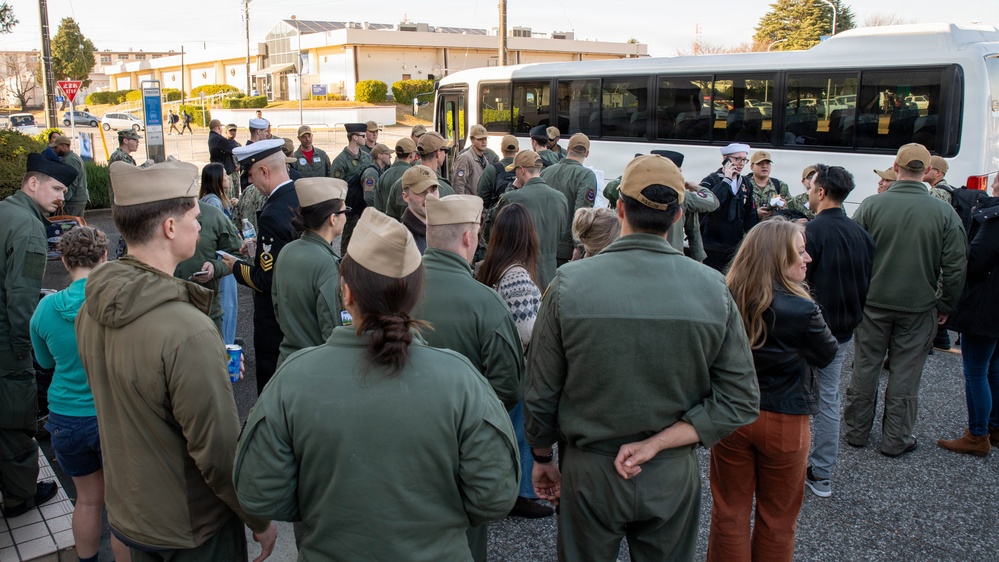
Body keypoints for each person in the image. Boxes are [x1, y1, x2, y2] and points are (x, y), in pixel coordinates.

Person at [233, 208, 519, 560]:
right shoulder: (461, 379)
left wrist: (319, 507)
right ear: (415, 296)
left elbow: (258, 492)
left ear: (347, 293)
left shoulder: (294, 377)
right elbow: (494, 495)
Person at [526, 154, 760, 561]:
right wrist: (660, 443)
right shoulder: (712, 287)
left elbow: (541, 388)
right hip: (671, 471)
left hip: (590, 471)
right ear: (678, 216)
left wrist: (542, 454)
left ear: (619, 209)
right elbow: (740, 399)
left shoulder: (569, 284)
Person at [76, 161, 276, 560]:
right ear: (170, 227)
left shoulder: (91, 308)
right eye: (194, 218)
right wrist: (258, 518)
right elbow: (218, 453)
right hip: (193, 529)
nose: (200, 227)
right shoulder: (190, 331)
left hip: (133, 515)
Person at [708, 219, 837, 561]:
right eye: (799, 251)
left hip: (732, 414)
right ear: (778, 258)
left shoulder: (725, 295)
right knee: (777, 518)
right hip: (785, 418)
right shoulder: (804, 309)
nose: (807, 258)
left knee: (729, 511)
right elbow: (827, 354)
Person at [411, 195, 525, 559]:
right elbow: (509, 386)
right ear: (468, 238)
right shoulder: (486, 303)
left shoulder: (395, 290)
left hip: (399, 441)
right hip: (463, 449)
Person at [844, 143, 968, 457]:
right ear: (927, 172)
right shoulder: (943, 212)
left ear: (896, 167)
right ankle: (895, 439)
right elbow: (955, 265)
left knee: (865, 367)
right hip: (918, 306)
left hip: (873, 304)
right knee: (905, 373)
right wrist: (946, 305)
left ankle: (856, 432)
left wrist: (857, 295)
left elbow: (853, 254)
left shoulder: (872, 205)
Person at [29, 227, 131, 562]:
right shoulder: (118, 302)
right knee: (121, 507)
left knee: (87, 500)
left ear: (63, 259)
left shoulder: (45, 310)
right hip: (111, 415)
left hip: (65, 418)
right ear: (104, 257)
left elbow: (44, 362)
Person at [0, 154, 76, 519]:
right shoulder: (29, 228)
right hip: (6, 344)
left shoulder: (5, 211)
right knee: (15, 418)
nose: (62, 197)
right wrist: (22, 351)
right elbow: (22, 297)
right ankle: (20, 496)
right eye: (57, 187)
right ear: (33, 183)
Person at [475, 202, 553, 520]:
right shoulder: (519, 277)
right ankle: (520, 494)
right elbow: (529, 331)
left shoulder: (489, 267)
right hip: (518, 371)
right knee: (521, 434)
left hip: (494, 367)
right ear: (527, 237)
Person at [802, 164, 875, 498]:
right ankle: (821, 472)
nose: (807, 193)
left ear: (821, 192)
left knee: (799, 396)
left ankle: (792, 464)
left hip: (811, 327)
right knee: (829, 397)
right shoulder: (861, 234)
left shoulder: (812, 233)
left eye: (811, 188)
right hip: (844, 329)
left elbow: (799, 283)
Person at [221, 139, 301, 396]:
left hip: (274, 321)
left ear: (264, 172)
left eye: (251, 176)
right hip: (300, 309)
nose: (250, 183)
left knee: (271, 389)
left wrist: (235, 267)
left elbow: (267, 280)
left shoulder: (271, 212)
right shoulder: (300, 193)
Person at [938, 173, 999, 456]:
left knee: (976, 370)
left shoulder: (994, 219)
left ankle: (977, 434)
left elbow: (975, 261)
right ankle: (994, 426)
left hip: (985, 306)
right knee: (994, 368)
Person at [271, 177, 348, 365]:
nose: (347, 216)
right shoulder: (328, 265)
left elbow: (278, 308)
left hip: (288, 362)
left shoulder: (287, 251)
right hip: (317, 367)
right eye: (345, 211)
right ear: (332, 218)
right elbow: (334, 331)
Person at [494, 150, 567, 290]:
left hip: (521, 275)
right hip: (550, 273)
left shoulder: (512, 198)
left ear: (521, 170)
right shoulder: (560, 198)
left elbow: (493, 224)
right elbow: (562, 233)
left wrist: (513, 187)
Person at [700, 143, 759, 271]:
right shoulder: (711, 180)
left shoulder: (745, 183)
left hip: (735, 245)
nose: (741, 163)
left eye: (744, 159)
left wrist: (752, 239)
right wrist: (726, 180)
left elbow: (750, 214)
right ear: (725, 159)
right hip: (713, 245)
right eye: (737, 159)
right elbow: (709, 203)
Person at [199, 163, 240, 345]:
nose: (228, 178)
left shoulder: (213, 200)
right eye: (224, 175)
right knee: (227, 304)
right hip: (221, 259)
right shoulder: (214, 202)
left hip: (218, 258)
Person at [540, 133, 597, 264]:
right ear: (587, 154)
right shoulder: (587, 176)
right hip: (565, 249)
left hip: (540, 245)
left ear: (568, 148)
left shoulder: (546, 172)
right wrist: (578, 245)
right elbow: (582, 212)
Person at [385, 132, 456, 221]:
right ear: (438, 153)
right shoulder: (445, 188)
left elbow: (390, 221)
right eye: (445, 150)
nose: (445, 154)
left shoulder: (399, 184)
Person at [331, 123, 373, 253]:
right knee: (349, 240)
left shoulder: (366, 157)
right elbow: (336, 187)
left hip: (364, 205)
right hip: (351, 207)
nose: (365, 138)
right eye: (363, 136)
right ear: (354, 137)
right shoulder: (340, 161)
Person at [398, 165, 439, 253]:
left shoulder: (446, 229)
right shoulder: (402, 241)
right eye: (421, 192)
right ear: (406, 197)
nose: (430, 197)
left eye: (433, 190)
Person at [374, 137, 417, 213]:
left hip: (387, 222)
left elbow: (378, 205)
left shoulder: (384, 175)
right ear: (411, 154)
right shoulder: (414, 175)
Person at [451, 125, 495, 196]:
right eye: (480, 139)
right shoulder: (465, 158)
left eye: (485, 138)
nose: (484, 141)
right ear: (472, 140)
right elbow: (458, 185)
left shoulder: (484, 160)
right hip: (469, 204)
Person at [478, 134, 519, 211]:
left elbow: (482, 194)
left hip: (497, 215)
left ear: (501, 149)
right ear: (517, 150)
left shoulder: (491, 169)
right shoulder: (523, 169)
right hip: (520, 216)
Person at [747, 150, 791, 221]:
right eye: (759, 163)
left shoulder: (780, 185)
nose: (764, 166)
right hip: (751, 230)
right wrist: (754, 214)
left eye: (767, 163)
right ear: (752, 167)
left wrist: (784, 207)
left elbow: (790, 212)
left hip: (773, 229)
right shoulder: (744, 185)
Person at [51, 135, 89, 217]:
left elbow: (71, 182)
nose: (54, 150)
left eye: (56, 147)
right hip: (78, 198)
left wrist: (63, 199)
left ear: (64, 146)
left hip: (74, 201)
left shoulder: (70, 160)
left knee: (68, 226)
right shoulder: (73, 157)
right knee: (77, 227)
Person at [208, 119, 241, 195]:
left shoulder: (213, 138)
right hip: (222, 174)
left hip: (220, 172)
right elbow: (233, 149)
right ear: (219, 127)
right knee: (228, 197)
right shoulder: (218, 139)